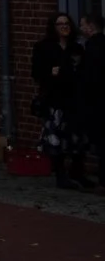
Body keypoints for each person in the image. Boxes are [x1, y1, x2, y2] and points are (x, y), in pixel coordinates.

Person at [31, 13, 86, 189]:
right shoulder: (44, 47)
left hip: (74, 97)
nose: (64, 27)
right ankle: (60, 175)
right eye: (60, 24)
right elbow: (36, 73)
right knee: (55, 137)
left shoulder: (76, 48)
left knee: (76, 137)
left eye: (67, 23)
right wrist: (50, 73)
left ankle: (77, 172)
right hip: (54, 98)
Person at [79, 12, 105, 186]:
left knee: (101, 141)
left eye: (82, 24)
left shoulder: (92, 47)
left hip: (97, 101)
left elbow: (89, 77)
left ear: (90, 26)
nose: (80, 28)